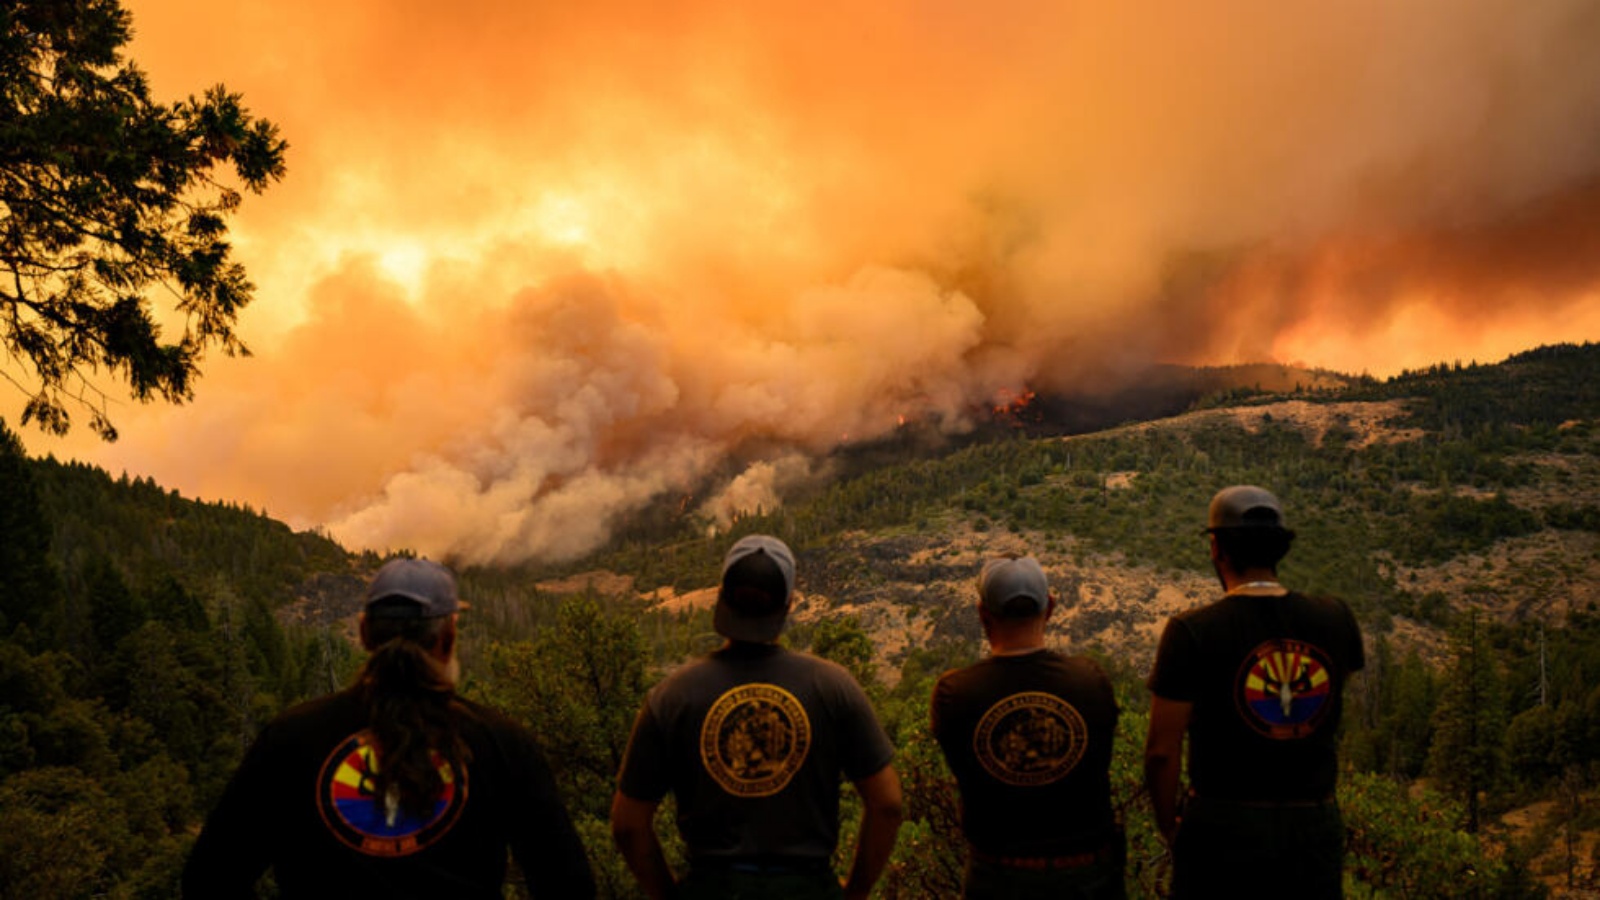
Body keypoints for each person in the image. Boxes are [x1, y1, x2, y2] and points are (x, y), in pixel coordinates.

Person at [182, 558, 596, 899]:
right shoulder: (501, 742)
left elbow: (209, 879)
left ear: (364, 634)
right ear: (448, 637)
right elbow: (568, 885)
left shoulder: (291, 738)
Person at [610, 534, 903, 900]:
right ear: (789, 604)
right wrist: (855, 892)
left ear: (720, 595)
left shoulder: (672, 697)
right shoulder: (833, 687)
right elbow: (888, 804)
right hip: (807, 887)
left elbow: (628, 825)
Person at [1144, 485, 1365, 899]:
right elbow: (1327, 706)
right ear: (1281, 549)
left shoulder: (1192, 631)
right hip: (1312, 826)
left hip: (1221, 826)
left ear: (1217, 549)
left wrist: (1170, 825)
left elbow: (1160, 752)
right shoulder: (1335, 619)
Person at [932, 554, 1124, 900]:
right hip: (1088, 875)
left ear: (982, 614)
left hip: (997, 876)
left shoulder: (955, 693)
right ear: (1049, 608)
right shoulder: (1091, 682)